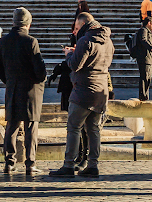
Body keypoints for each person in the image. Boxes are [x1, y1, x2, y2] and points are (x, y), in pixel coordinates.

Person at [50, 12, 114, 179]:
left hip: (83, 91)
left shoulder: (85, 40)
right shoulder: (107, 40)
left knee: (74, 128)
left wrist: (70, 54)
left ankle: (68, 165)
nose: (75, 32)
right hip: (101, 91)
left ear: (84, 25)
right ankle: (93, 165)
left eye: (77, 28)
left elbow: (74, 65)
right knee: (93, 129)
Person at [0, 6, 46, 176]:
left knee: (12, 127)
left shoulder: (2, 41)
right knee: (31, 127)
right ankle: (30, 164)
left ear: (13, 22)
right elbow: (40, 71)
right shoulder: (31, 41)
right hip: (31, 90)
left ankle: (9, 163)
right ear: (28, 24)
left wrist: (9, 81)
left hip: (12, 88)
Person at [131, 16, 152, 100]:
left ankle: (145, 95)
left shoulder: (148, 31)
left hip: (149, 58)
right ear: (149, 23)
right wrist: (151, 48)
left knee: (148, 78)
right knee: (144, 77)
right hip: (144, 58)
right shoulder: (143, 30)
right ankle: (143, 96)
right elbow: (143, 40)